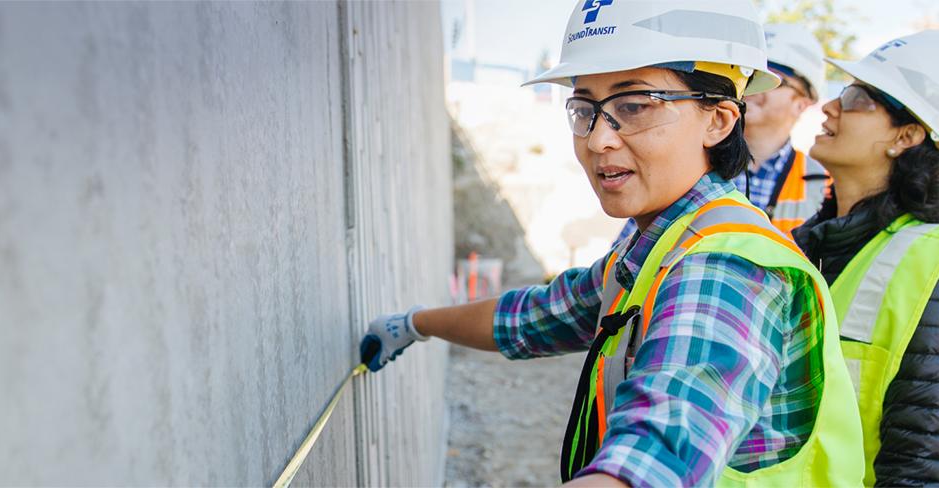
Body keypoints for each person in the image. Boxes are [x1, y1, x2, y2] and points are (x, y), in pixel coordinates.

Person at [361, 1, 863, 486]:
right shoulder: (661, 242)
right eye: (586, 109)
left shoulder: (722, 266)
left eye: (635, 105)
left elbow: (659, 454)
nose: (599, 138)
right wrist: (414, 324)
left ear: (719, 121)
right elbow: (537, 316)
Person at [793, 30, 939, 486]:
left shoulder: (928, 259)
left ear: (908, 134)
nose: (830, 106)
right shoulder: (808, 246)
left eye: (858, 99)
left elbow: (919, 455)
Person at [614, 22, 829, 240]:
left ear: (801, 103)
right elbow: (627, 257)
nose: (751, 87)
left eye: (772, 78)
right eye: (748, 75)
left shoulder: (824, 187)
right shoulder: (683, 164)